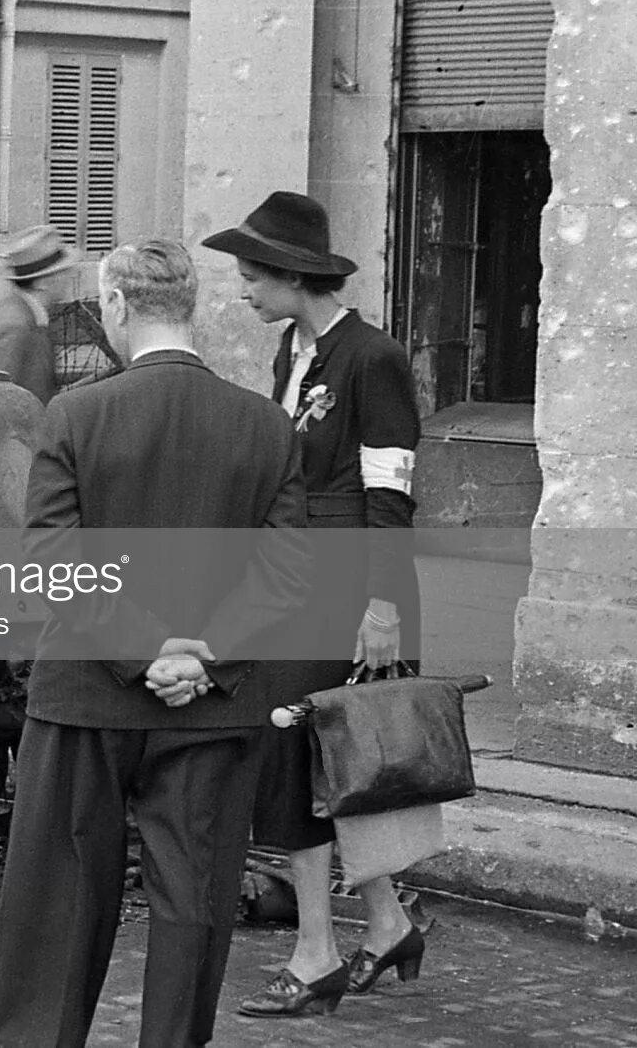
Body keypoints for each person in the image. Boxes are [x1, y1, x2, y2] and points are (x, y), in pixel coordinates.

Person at [0, 239, 306, 1048]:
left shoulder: (77, 415)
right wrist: (201, 655)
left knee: (58, 903)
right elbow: (287, 575)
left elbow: (52, 564)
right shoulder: (266, 425)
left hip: (87, 693)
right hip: (213, 701)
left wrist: (144, 652)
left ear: (118, 307)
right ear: (190, 308)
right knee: (192, 904)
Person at [203, 191, 427, 1015]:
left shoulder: (372, 358)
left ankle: (315, 952)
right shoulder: (292, 351)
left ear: (295, 277)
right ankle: (384, 925)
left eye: (251, 276)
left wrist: (382, 606)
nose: (242, 292)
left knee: (306, 756)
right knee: (318, 761)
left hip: (346, 587)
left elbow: (389, 493)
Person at [0, 224, 77, 403]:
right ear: (44, 282)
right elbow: (2, 400)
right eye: (62, 272)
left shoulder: (15, 312)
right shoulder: (19, 327)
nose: (70, 277)